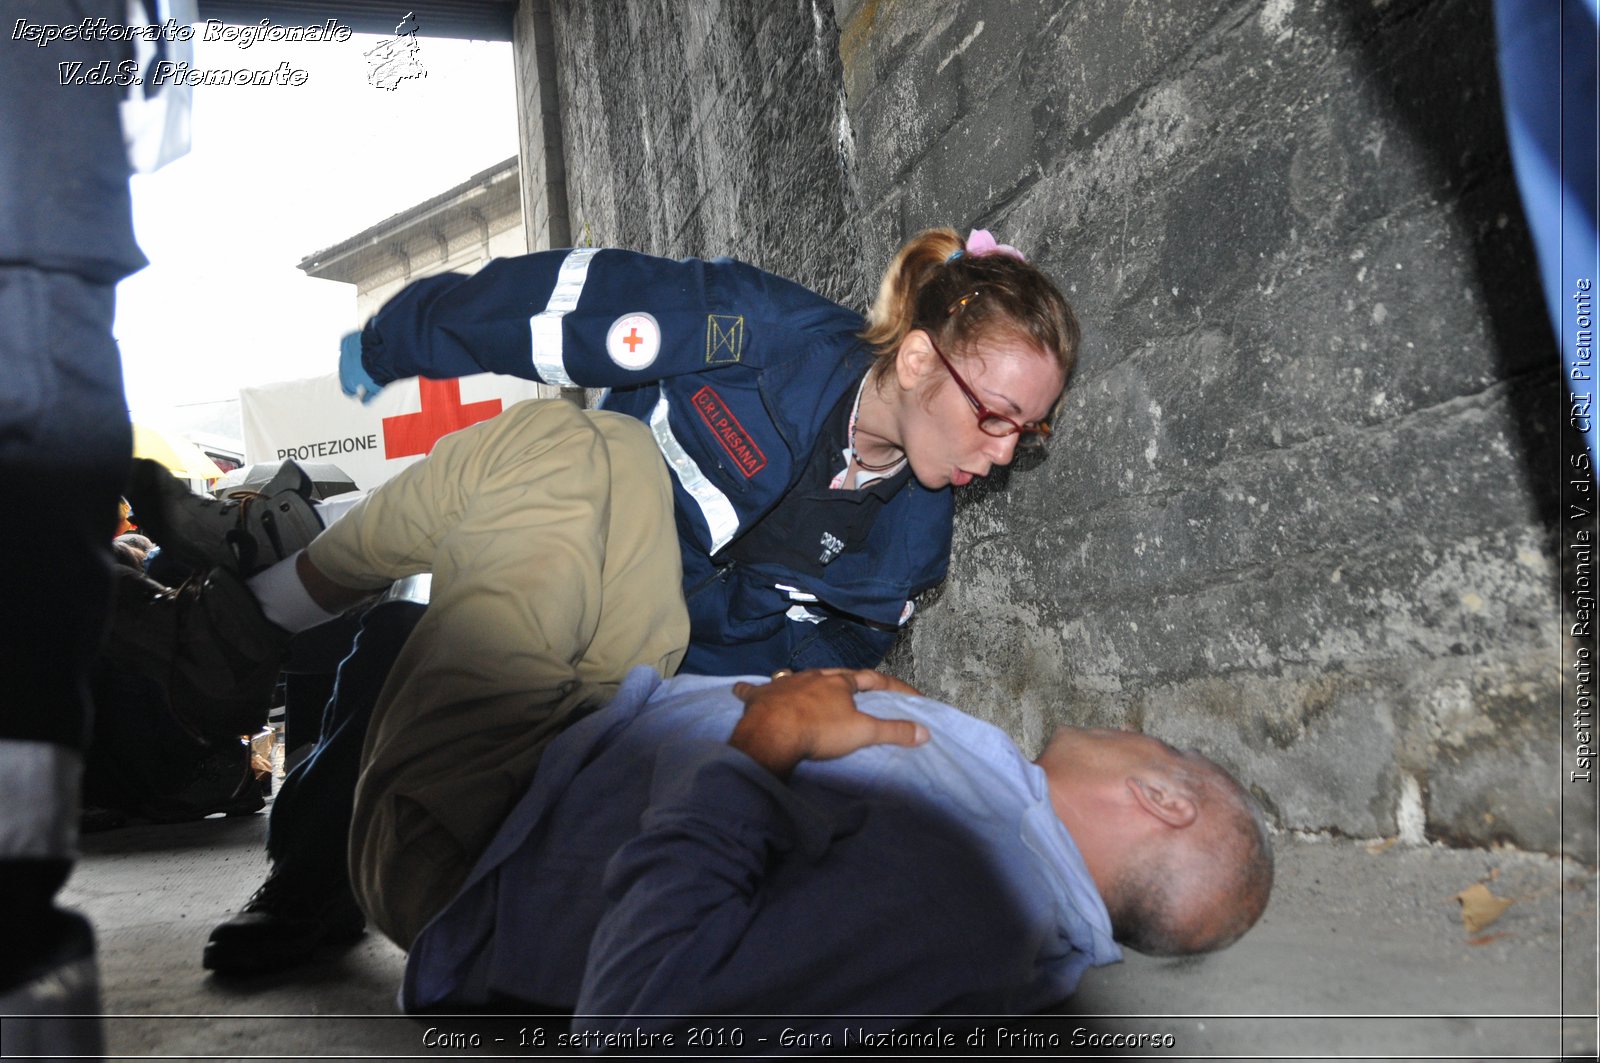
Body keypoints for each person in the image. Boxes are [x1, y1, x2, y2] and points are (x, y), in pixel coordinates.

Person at [131, 226, 1077, 973]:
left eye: (1024, 435)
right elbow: (562, 309)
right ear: (916, 362)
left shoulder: (911, 543)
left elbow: (811, 671)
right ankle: (305, 888)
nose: (999, 453)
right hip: (566, 564)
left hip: (660, 690)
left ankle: (516, 920)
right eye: (994, 415)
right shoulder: (749, 332)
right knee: (404, 634)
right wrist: (400, 335)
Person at [384, 667, 1273, 1032]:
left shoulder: (963, 900)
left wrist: (765, 744)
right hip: (592, 720)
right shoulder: (1003, 830)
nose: (1128, 726)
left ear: (1162, 797)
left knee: (575, 456)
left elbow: (636, 1025)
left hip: (488, 810)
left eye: (1165, 747)